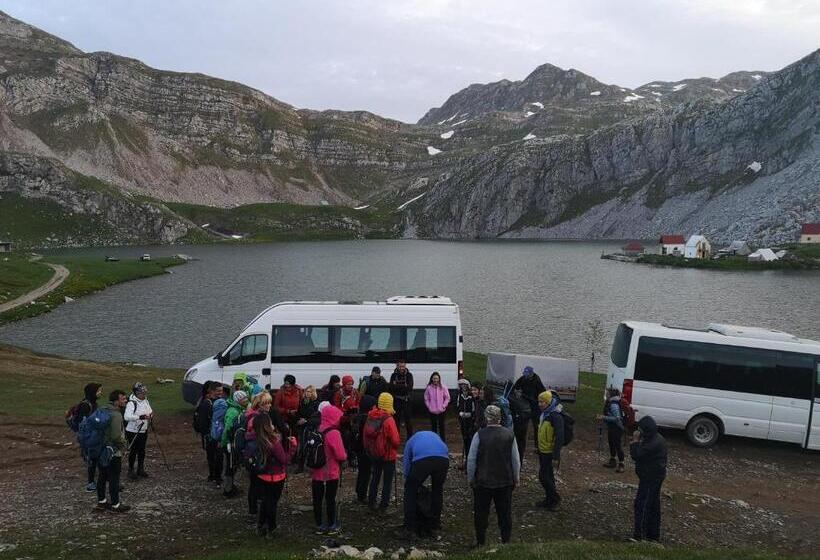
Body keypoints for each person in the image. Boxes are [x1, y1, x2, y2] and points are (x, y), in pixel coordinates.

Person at [467, 405, 520, 546]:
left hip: (483, 481)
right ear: (500, 418)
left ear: (486, 418)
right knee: (505, 513)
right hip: (505, 481)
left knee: (481, 513)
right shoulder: (509, 434)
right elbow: (515, 459)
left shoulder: (479, 434)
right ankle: (506, 541)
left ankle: (480, 542)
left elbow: (471, 459)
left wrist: (471, 478)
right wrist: (516, 477)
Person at [252, 413, 297, 537]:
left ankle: (261, 525)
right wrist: (293, 447)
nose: (272, 425)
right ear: (267, 426)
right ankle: (272, 528)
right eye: (271, 423)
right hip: (275, 477)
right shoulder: (273, 442)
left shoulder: (256, 439)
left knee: (265, 502)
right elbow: (284, 460)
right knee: (272, 503)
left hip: (261, 475)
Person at [402, 431, 449, 538]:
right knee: (437, 490)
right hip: (443, 459)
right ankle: (434, 526)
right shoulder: (435, 436)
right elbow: (444, 449)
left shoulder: (410, 442)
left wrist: (411, 481)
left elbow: (407, 466)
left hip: (422, 459)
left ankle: (410, 528)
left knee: (410, 490)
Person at [630, 416, 667, 542]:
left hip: (650, 478)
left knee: (642, 505)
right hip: (654, 476)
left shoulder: (652, 443)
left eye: (640, 431)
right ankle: (653, 535)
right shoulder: (656, 438)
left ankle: (639, 536)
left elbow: (636, 455)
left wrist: (635, 441)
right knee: (653, 506)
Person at [312, 405, 347, 535]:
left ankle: (319, 525)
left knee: (317, 499)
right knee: (330, 499)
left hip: (317, 472)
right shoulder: (334, 433)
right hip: (330, 472)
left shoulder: (318, 429)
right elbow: (340, 455)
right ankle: (332, 524)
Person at [365, 392, 400, 510]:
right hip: (388, 454)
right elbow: (395, 440)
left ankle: (371, 501)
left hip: (375, 453)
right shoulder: (389, 419)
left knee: (375, 477)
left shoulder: (370, 415)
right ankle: (383, 505)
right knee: (387, 481)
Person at [96, 390, 130, 513]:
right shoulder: (116, 415)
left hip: (100, 449)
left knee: (102, 476)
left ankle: (102, 502)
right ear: (116, 401)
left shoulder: (103, 409)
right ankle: (116, 504)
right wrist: (124, 446)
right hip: (113, 451)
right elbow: (116, 436)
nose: (125, 400)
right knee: (114, 478)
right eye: (123, 399)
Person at [245, 392, 274, 515]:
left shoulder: (255, 415)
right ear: (259, 404)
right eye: (266, 403)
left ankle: (255, 507)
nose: (269, 406)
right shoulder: (257, 418)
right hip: (258, 453)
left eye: (269, 403)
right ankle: (254, 509)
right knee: (256, 482)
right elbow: (254, 435)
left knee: (255, 482)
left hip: (256, 452)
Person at [536, 390, 564, 510]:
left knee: (543, 476)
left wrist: (556, 455)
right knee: (548, 475)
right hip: (543, 450)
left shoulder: (555, 416)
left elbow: (560, 436)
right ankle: (549, 499)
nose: (540, 404)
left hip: (549, 451)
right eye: (539, 401)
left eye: (542, 402)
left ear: (548, 402)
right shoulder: (545, 413)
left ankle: (555, 498)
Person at [221, 390, 249, 498]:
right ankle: (228, 490)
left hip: (234, 442)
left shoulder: (239, 409)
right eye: (244, 399)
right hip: (230, 444)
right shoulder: (233, 411)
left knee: (233, 464)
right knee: (230, 465)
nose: (246, 400)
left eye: (246, 398)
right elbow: (228, 429)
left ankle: (231, 486)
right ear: (238, 400)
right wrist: (225, 442)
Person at [123, 382, 153, 481]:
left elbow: (149, 411)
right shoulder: (131, 403)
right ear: (136, 392)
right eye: (142, 392)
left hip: (143, 430)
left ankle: (140, 468)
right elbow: (127, 417)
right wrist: (140, 417)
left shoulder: (145, 401)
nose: (144, 394)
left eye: (144, 392)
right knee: (133, 450)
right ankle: (131, 470)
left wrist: (150, 415)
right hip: (132, 431)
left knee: (142, 450)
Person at [513, 366, 546, 450]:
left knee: (537, 426)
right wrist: (517, 393)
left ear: (531, 374)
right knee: (523, 424)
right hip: (525, 405)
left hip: (535, 406)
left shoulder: (537, 381)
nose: (526, 376)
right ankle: (520, 443)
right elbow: (515, 386)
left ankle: (538, 446)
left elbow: (543, 392)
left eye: (527, 375)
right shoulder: (523, 379)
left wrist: (539, 402)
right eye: (525, 374)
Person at [77, 382, 102, 491]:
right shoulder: (85, 405)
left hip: (94, 435)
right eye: (99, 391)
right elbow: (83, 423)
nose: (101, 393)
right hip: (89, 437)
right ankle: (91, 483)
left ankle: (100, 479)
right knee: (92, 460)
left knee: (97, 458)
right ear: (93, 392)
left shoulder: (93, 403)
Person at [353, 394, 377, 504]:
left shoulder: (358, 417)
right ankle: (362, 495)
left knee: (362, 471)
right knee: (366, 472)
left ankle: (359, 491)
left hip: (358, 448)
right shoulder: (368, 419)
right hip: (366, 449)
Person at [596, 388, 626, 473]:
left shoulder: (613, 404)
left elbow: (617, 418)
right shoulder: (610, 402)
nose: (606, 395)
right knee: (611, 443)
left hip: (617, 427)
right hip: (612, 427)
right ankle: (612, 461)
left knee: (617, 445)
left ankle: (621, 464)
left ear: (611, 395)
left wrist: (603, 417)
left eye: (607, 393)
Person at [296, 385, 321, 473]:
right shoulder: (303, 402)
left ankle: (313, 464)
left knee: (311, 445)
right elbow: (299, 413)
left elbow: (316, 417)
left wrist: (306, 421)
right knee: (301, 446)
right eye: (306, 391)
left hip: (311, 428)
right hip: (302, 427)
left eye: (310, 391)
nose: (307, 393)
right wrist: (298, 420)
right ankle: (300, 466)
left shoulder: (316, 403)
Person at [389, 360, 414, 438]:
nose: (401, 368)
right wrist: (403, 386)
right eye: (399, 366)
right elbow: (391, 388)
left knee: (408, 421)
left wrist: (397, 386)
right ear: (397, 366)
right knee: (396, 420)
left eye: (403, 366)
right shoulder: (393, 375)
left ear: (405, 366)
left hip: (406, 400)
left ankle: (410, 438)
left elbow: (409, 388)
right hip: (396, 401)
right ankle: (396, 437)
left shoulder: (409, 375)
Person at [424, 372, 450, 440]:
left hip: (441, 411)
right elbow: (426, 398)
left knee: (442, 427)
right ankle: (434, 440)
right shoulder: (429, 388)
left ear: (439, 379)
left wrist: (444, 406)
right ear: (432, 379)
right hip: (432, 411)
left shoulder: (443, 387)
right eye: (434, 378)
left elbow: (447, 398)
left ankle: (442, 441)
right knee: (433, 427)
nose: (435, 380)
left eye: (437, 378)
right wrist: (429, 406)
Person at [456, 379, 475, 468]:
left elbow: (474, 409)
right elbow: (457, 406)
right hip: (462, 421)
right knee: (465, 439)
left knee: (470, 440)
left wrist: (469, 415)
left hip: (470, 422)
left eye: (465, 385)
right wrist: (460, 414)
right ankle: (467, 460)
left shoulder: (471, 397)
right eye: (461, 385)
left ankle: (470, 460)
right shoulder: (460, 395)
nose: (463, 387)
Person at [509, 388, 532, 462]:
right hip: (521, 425)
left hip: (519, 426)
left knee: (518, 445)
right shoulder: (525, 399)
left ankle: (517, 462)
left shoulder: (513, 398)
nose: (518, 392)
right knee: (520, 446)